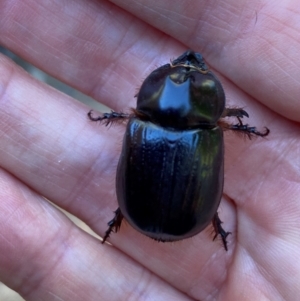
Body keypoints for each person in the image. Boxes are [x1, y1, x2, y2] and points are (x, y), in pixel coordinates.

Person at [0, 1, 299, 300]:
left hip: (147, 212)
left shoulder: (142, 125)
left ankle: (125, 217)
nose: (189, 62)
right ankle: (203, 223)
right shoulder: (211, 132)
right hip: (182, 215)